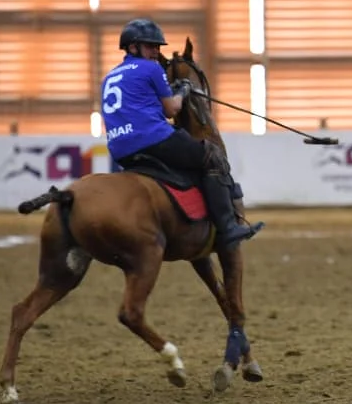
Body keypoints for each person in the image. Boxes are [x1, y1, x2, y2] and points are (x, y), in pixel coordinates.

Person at [101, 18, 262, 247]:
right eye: (150, 46)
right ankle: (228, 227)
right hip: (153, 140)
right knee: (211, 156)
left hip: (119, 150)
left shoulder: (109, 77)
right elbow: (171, 109)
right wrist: (183, 91)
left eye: (157, 47)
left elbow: (136, 107)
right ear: (133, 47)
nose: (156, 52)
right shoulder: (151, 68)